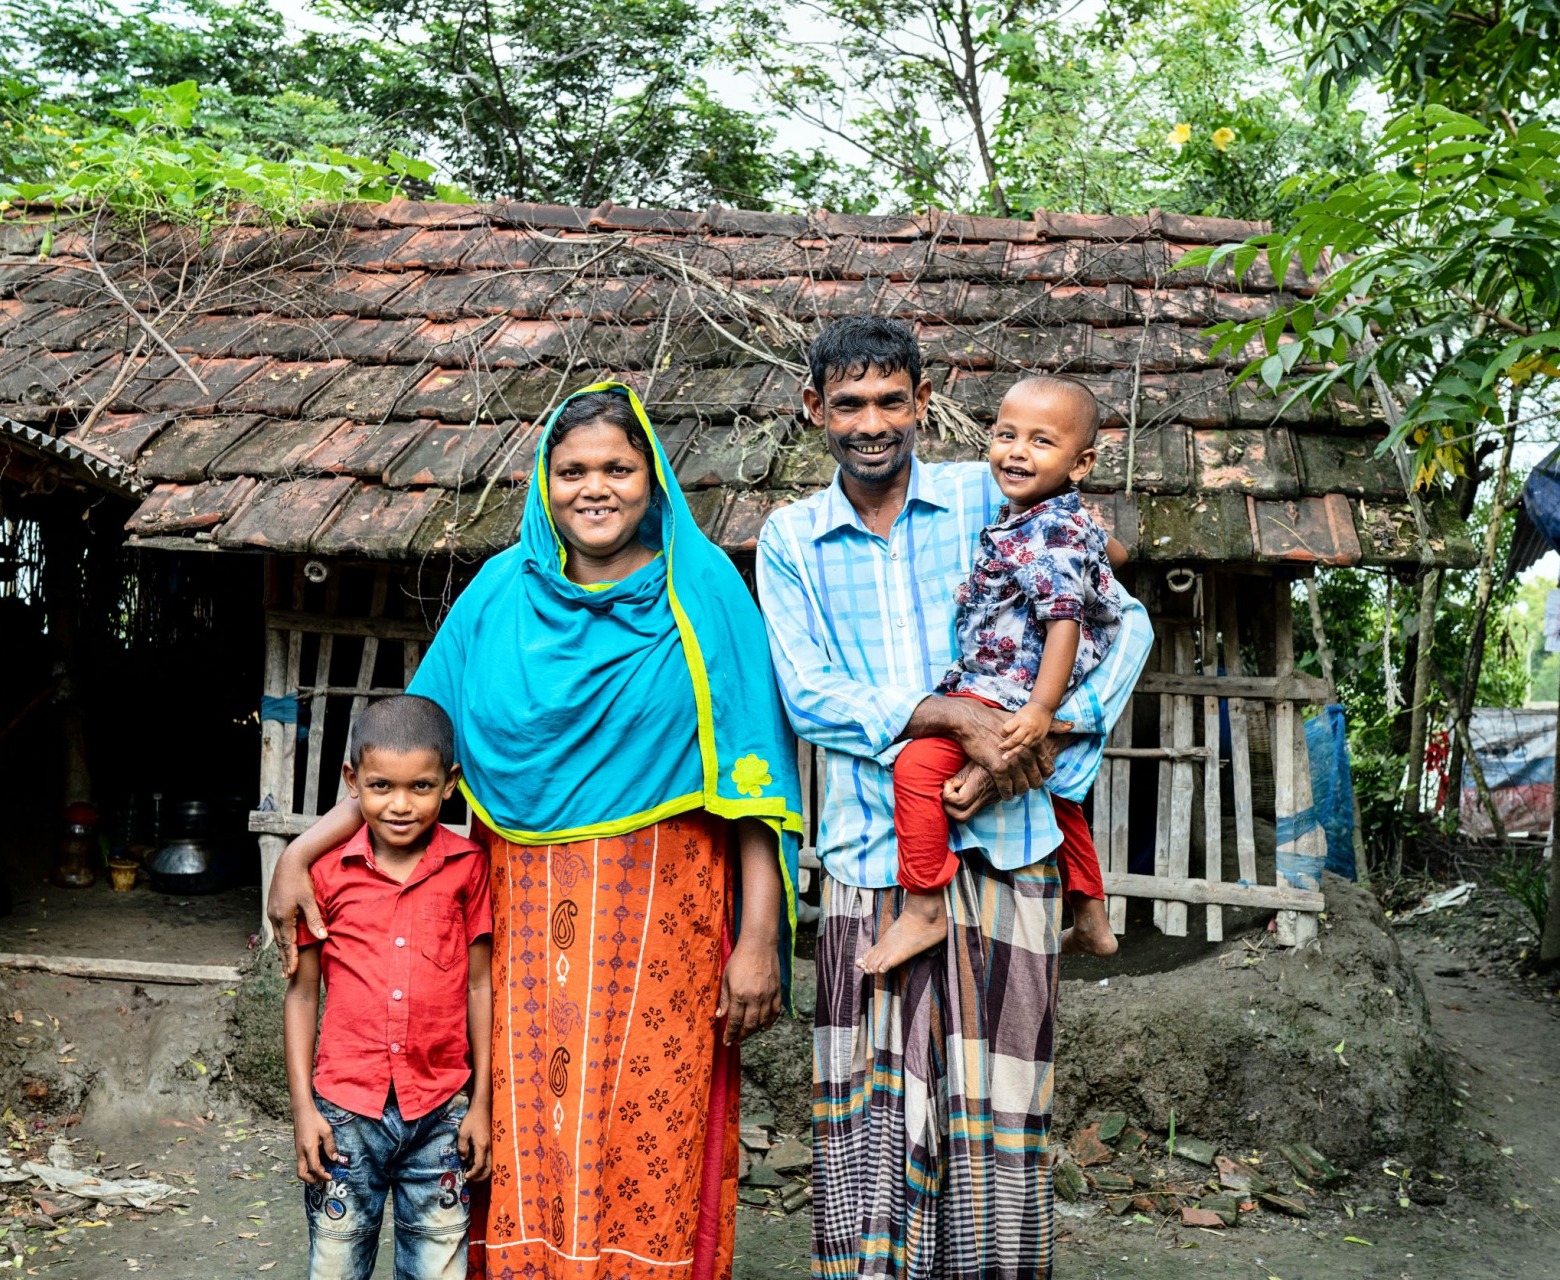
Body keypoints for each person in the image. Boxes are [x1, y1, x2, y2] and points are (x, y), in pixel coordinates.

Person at [267, 383, 806, 1280]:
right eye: (572, 471)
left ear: (654, 478)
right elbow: (413, 743)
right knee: (517, 1120)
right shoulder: (498, 596)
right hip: (514, 906)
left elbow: (749, 776)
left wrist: (755, 939)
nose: (595, 489)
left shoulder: (703, 592)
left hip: (663, 913)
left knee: (648, 1120)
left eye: (618, 469)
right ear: (542, 485)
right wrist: (302, 849)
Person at [755, 317, 1153, 1279]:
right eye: (848, 403)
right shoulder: (792, 537)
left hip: (1011, 845)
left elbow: (1125, 623)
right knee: (870, 1112)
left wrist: (1046, 731)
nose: (872, 422)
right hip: (868, 856)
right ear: (815, 410)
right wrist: (948, 718)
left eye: (892, 400)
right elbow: (809, 696)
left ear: (923, 403)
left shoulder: (1001, 493)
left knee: (999, 1113)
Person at [860, 374, 1126, 974]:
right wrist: (1101, 549)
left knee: (913, 767)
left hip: (1008, 686)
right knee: (1059, 794)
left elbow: (1064, 619)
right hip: (1021, 683)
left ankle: (924, 905)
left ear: (1081, 463)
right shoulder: (1060, 521)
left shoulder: (1049, 529)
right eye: (1006, 435)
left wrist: (1036, 709)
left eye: (1040, 442)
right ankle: (1092, 916)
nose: (1017, 451)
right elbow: (1105, 560)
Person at [283, 694, 493, 1280]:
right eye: (381, 786)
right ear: (352, 781)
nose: (400, 806)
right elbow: (301, 995)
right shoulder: (324, 875)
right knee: (336, 1264)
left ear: (449, 784)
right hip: (344, 1114)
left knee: (437, 1266)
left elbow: (481, 986)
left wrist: (481, 1104)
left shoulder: (468, 868)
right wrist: (303, 1109)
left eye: (421, 787)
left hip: (442, 1113)